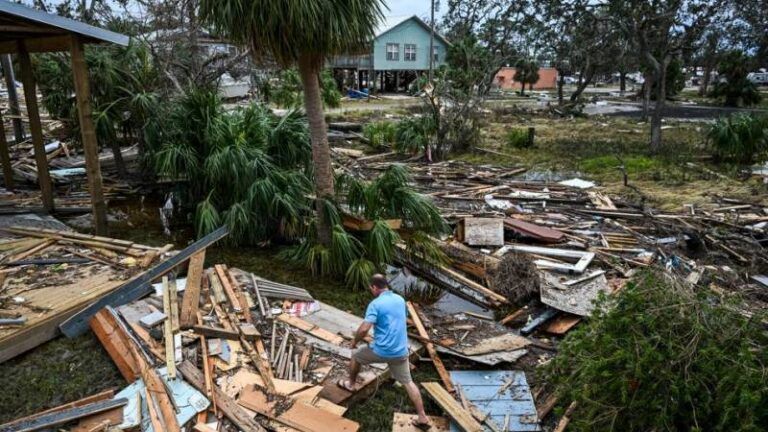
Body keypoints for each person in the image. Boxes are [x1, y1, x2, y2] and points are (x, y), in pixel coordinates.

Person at [338, 274, 431, 430]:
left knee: (356, 356)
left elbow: (364, 328)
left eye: (371, 288)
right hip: (401, 351)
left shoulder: (376, 304)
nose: (371, 290)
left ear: (375, 287)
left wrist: (355, 341)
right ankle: (422, 417)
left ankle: (351, 385)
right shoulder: (400, 299)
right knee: (408, 382)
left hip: (383, 351)